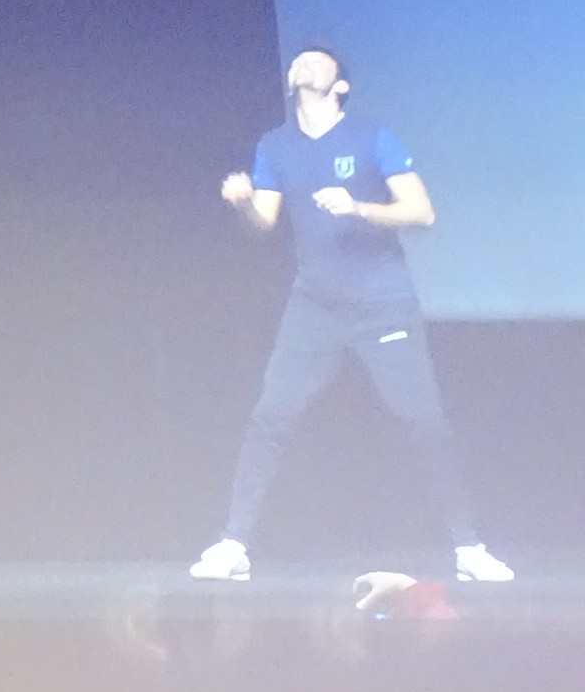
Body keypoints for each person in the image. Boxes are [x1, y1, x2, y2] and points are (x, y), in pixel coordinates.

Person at [189, 47, 513, 585]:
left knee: (424, 422)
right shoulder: (275, 145)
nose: (304, 64)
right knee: (271, 416)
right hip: (314, 304)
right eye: (299, 60)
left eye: (318, 61)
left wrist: (358, 207)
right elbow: (262, 224)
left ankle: (470, 548)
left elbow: (422, 211)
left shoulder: (371, 137)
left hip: (381, 302)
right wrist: (244, 201)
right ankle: (232, 545)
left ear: (340, 85)